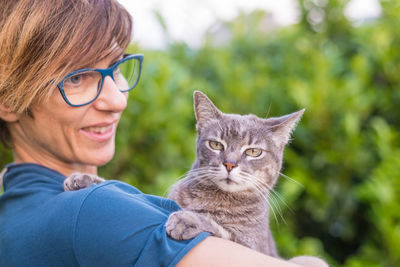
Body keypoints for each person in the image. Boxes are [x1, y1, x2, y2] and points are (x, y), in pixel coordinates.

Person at [0, 1, 303, 266]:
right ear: (7, 99)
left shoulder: (15, 206)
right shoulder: (91, 211)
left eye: (116, 67)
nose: (117, 100)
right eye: (77, 77)